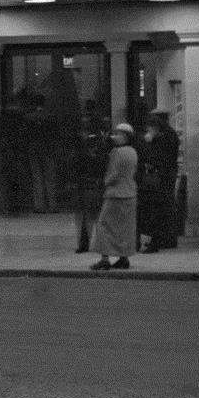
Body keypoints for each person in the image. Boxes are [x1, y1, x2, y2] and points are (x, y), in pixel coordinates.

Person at [89, 123, 137, 271]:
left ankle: (104, 259)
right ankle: (124, 257)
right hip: (130, 193)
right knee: (125, 228)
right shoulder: (133, 152)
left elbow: (113, 174)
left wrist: (105, 182)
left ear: (125, 136)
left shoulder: (117, 152)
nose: (114, 137)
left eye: (117, 134)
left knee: (103, 224)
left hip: (115, 194)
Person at [138, 110, 180, 253]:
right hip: (166, 176)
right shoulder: (171, 134)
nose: (148, 130)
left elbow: (155, 158)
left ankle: (158, 240)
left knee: (158, 209)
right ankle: (166, 239)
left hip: (161, 178)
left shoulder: (163, 138)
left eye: (150, 127)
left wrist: (150, 142)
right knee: (166, 208)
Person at [73, 102, 110, 254]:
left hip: (87, 179)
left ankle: (84, 243)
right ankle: (98, 243)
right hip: (97, 180)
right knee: (97, 214)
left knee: (85, 215)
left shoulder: (85, 142)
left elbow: (78, 160)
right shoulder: (103, 140)